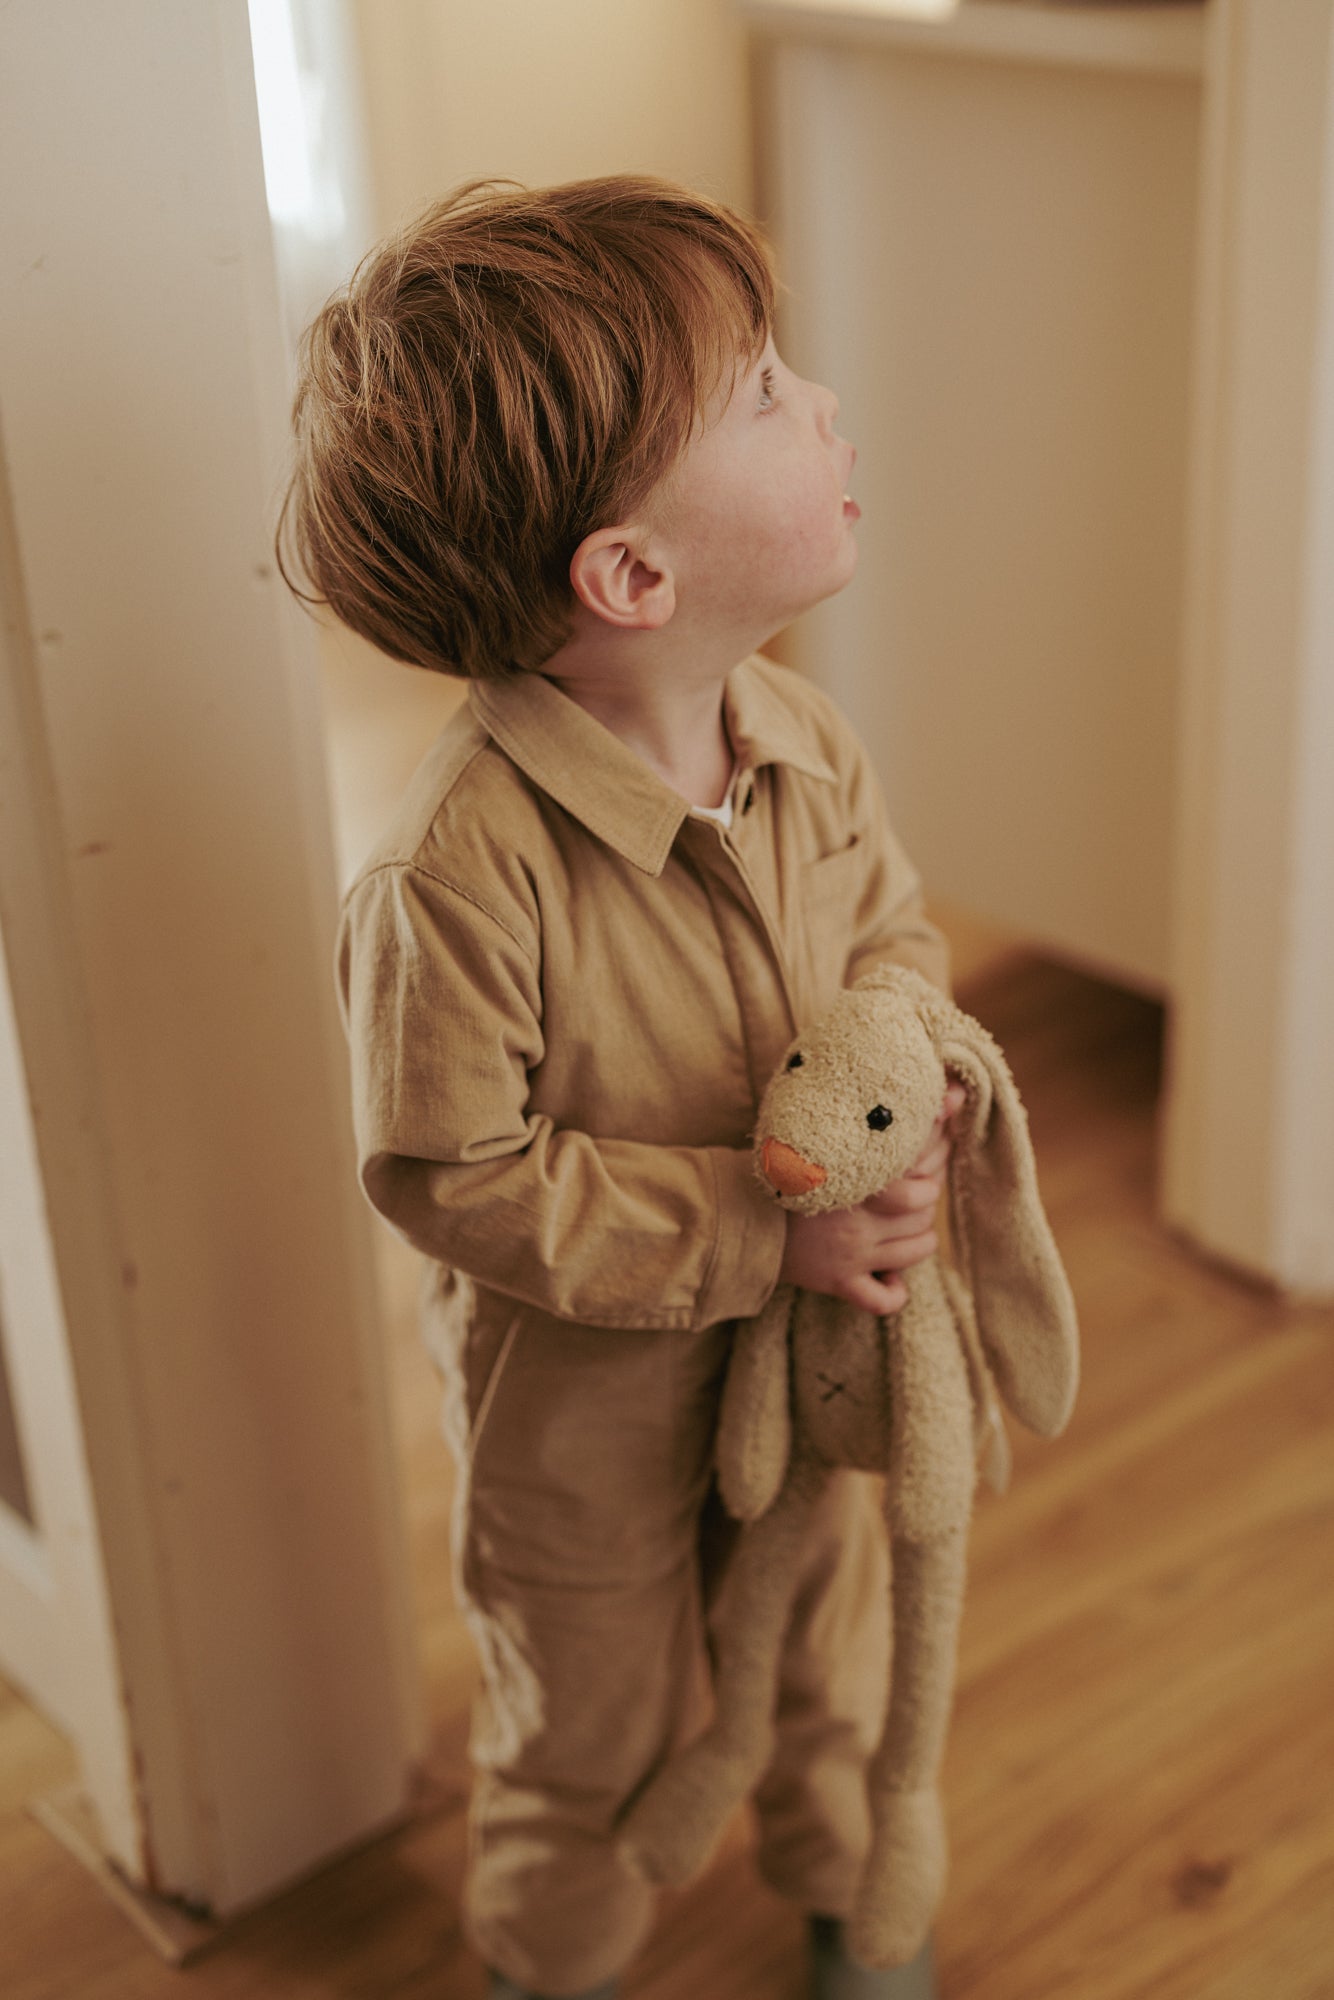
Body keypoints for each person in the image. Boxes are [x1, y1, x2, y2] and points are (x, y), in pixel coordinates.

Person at [279, 175, 961, 2000]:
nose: (819, 403)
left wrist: (895, 1088)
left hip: (813, 1369)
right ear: (632, 575)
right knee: (586, 1724)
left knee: (823, 1642)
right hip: (577, 1419)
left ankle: (845, 1894)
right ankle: (550, 1964)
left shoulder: (802, 736)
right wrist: (764, 1225)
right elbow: (456, 1178)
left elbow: (891, 936)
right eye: (762, 391)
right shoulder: (453, 874)